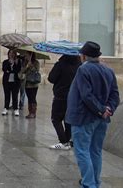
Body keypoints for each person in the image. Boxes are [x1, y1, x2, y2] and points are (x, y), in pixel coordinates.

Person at [66, 41, 119, 188]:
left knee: (82, 151)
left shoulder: (83, 70)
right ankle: (95, 182)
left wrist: (101, 109)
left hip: (84, 117)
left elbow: (86, 95)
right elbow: (115, 95)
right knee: (95, 151)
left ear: (83, 56)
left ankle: (89, 184)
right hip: (102, 119)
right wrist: (108, 109)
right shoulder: (108, 70)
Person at [48, 54, 81, 150]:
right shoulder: (79, 65)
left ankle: (63, 141)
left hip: (60, 96)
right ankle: (67, 140)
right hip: (74, 96)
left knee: (56, 119)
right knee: (68, 119)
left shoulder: (60, 64)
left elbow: (51, 78)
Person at [1, 49, 22, 116]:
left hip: (15, 81)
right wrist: (9, 65)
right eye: (10, 53)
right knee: (7, 95)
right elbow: (4, 69)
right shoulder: (5, 62)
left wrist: (15, 64)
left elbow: (18, 70)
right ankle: (5, 108)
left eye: (13, 53)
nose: (11, 54)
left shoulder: (18, 62)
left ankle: (16, 108)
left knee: (15, 95)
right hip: (7, 81)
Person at [21, 52, 40, 119]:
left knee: (33, 97)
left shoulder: (36, 62)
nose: (26, 56)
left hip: (34, 84)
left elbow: (37, 71)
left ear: (31, 55)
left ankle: (33, 113)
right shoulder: (25, 62)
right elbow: (22, 71)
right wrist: (26, 66)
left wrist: (31, 65)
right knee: (29, 98)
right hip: (27, 83)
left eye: (27, 55)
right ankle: (30, 112)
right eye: (26, 55)